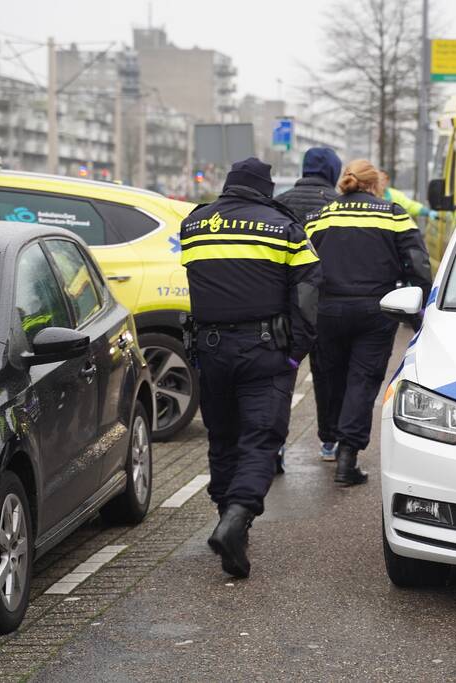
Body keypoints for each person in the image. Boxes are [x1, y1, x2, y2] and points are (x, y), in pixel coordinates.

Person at [179, 157, 321, 578]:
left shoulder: (194, 225)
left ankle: (227, 520)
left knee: (222, 437)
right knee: (260, 439)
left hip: (210, 349)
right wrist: (296, 350)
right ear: (265, 187)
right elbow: (311, 289)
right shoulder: (285, 228)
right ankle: (238, 515)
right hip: (265, 350)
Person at [305, 160, 432, 486]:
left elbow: (303, 264)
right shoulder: (392, 214)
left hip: (328, 309)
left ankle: (330, 439)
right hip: (377, 310)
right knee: (362, 381)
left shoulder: (322, 215)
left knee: (329, 377)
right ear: (375, 183)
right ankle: (348, 456)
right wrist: (420, 304)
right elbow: (417, 262)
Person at [276, 147, 343, 462]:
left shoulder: (281, 202)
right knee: (326, 374)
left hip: (283, 304)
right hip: (326, 302)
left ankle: (274, 445)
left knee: (280, 377)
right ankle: (329, 441)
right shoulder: (337, 205)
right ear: (333, 171)